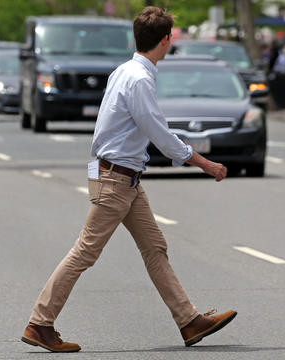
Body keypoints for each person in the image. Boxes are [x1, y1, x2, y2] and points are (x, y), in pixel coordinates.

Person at [21, 6, 236, 353]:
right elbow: (160, 135)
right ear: (165, 41)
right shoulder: (138, 79)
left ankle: (188, 320)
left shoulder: (125, 71)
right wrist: (204, 163)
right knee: (84, 253)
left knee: (155, 248)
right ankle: (40, 323)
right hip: (117, 178)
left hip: (123, 176)